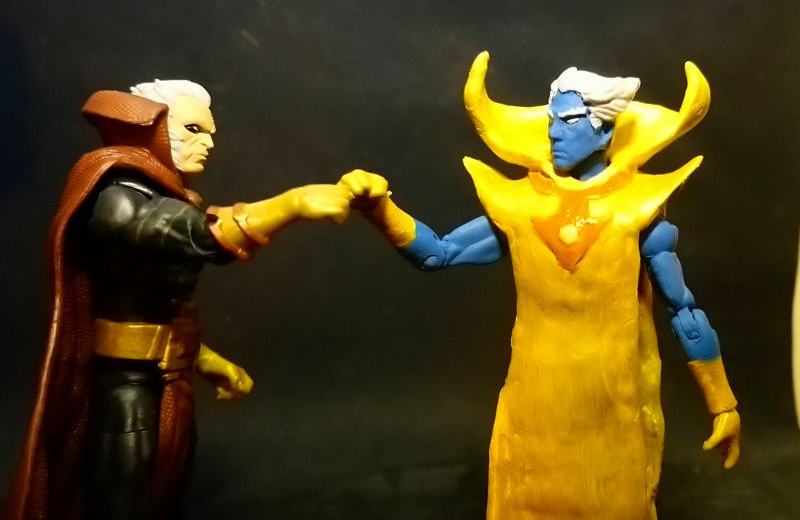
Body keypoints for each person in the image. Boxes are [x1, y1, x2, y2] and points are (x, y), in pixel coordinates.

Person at [340, 52, 741, 520]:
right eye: (552, 121)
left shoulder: (638, 210)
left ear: (604, 130)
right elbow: (438, 253)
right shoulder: (521, 205)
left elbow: (684, 311)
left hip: (610, 404)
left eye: (568, 121)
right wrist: (380, 210)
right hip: (532, 402)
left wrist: (722, 403)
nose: (554, 133)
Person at [4, 80, 352, 520]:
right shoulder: (116, 198)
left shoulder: (167, 197)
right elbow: (196, 235)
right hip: (124, 386)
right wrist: (292, 204)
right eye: (192, 129)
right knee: (124, 490)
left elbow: (157, 303)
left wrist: (205, 360)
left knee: (168, 481)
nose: (208, 143)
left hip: (166, 373)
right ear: (149, 128)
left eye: (210, 133)